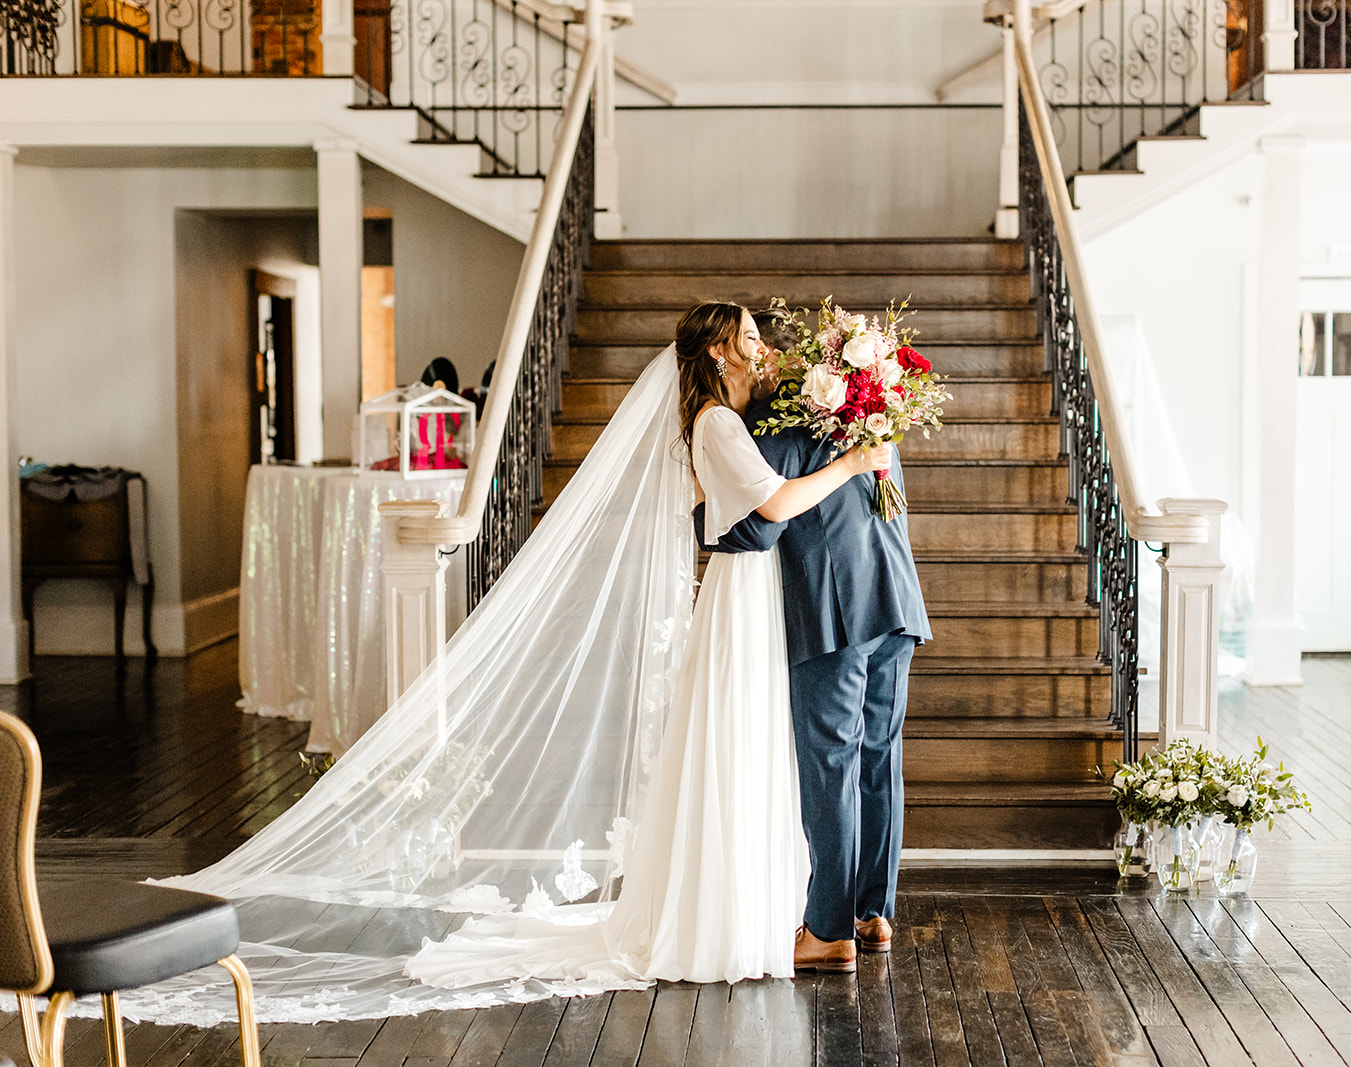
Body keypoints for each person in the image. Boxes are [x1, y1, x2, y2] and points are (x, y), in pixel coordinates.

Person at [95, 302, 890, 1026]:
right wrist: (854, 465)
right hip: (740, 605)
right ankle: (725, 917)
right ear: (718, 351)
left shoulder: (725, 420)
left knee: (748, 757)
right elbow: (775, 505)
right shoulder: (717, 424)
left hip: (749, 602)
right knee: (738, 753)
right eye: (750, 336)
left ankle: (752, 907)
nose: (763, 347)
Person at [705, 307, 932, 974]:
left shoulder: (781, 416)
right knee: (877, 758)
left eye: (760, 349)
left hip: (836, 609)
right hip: (896, 599)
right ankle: (872, 909)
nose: (760, 362)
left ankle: (829, 928)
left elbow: (761, 522)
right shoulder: (869, 411)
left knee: (832, 761)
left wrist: (703, 518)